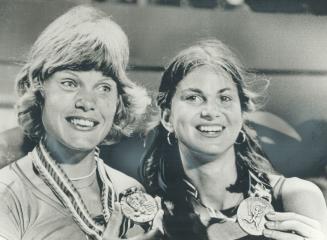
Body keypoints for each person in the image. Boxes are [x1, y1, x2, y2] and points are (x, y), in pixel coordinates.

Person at [0, 5, 163, 240]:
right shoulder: (8, 194)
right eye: (70, 83)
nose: (87, 102)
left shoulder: (131, 193)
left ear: (119, 101)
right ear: (39, 88)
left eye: (104, 87)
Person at [140, 39, 327, 240]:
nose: (211, 112)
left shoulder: (295, 197)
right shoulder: (148, 217)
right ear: (167, 118)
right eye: (194, 97)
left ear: (241, 114)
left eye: (225, 98)